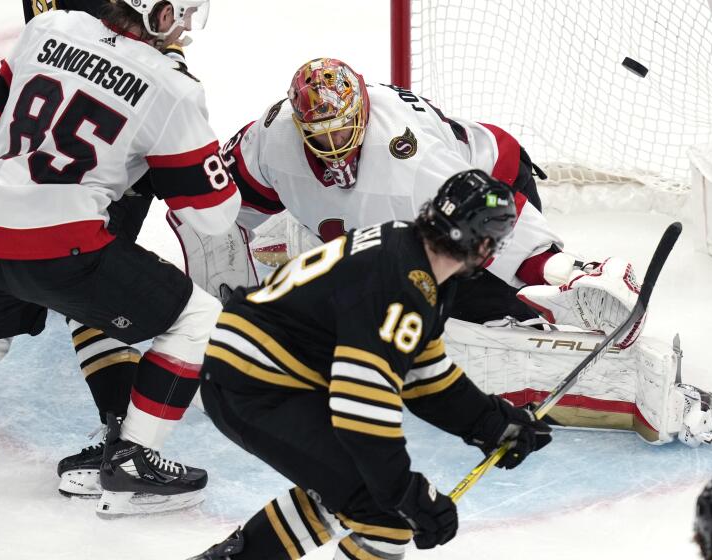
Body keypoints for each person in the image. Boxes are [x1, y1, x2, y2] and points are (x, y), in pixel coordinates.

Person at [177, 57, 712, 447]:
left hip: (487, 187)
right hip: (392, 230)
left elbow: (490, 214)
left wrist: (557, 271)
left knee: (487, 305)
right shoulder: (271, 138)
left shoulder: (409, 161)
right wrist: (224, 286)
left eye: (340, 130)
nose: (328, 147)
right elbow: (220, 201)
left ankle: (570, 294)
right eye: (316, 133)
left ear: (363, 115)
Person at [189, 169, 553, 560]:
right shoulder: (406, 285)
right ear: (486, 246)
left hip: (255, 369)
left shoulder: (411, 255)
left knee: (349, 491)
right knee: (387, 518)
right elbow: (361, 409)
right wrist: (407, 494)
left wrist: (493, 422)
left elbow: (425, 379)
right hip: (258, 383)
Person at [0, 0, 240, 516]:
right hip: (64, 244)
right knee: (198, 319)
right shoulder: (171, 85)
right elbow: (213, 216)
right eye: (178, 13)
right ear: (153, 12)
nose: (185, 27)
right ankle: (133, 459)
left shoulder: (49, 27)